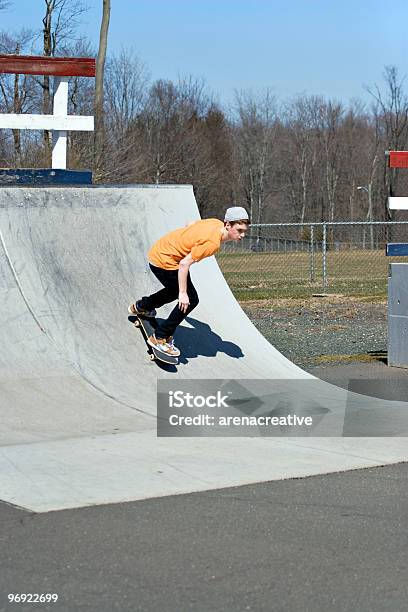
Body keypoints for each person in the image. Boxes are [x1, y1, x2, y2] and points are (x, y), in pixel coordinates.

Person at [128, 206, 250, 357]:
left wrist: (183, 242)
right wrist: (183, 293)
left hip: (160, 249)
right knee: (190, 299)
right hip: (165, 261)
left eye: (245, 231)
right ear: (228, 225)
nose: (243, 235)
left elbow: (190, 223)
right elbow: (184, 264)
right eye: (239, 230)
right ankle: (160, 337)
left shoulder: (214, 223)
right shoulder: (212, 243)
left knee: (174, 290)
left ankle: (142, 306)